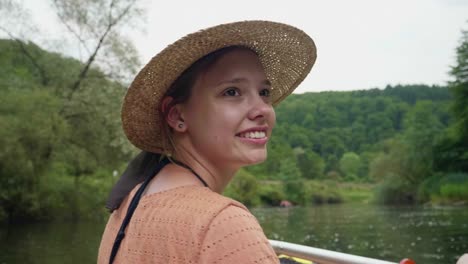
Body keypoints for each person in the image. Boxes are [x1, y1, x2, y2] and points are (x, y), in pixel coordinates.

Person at [97, 20, 317, 264]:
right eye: (232, 92)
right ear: (177, 116)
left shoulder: (129, 200)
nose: (262, 110)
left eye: (264, 92)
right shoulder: (222, 224)